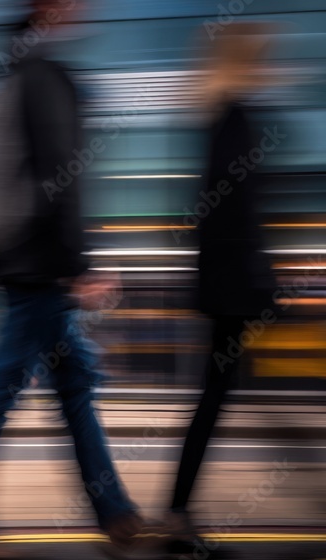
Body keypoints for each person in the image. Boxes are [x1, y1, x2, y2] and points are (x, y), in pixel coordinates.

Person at [0, 1, 151, 558]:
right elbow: (61, 174)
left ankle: (116, 514)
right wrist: (79, 265)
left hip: (29, 260)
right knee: (3, 390)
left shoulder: (21, 67)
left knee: (72, 386)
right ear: (51, 7)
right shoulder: (43, 73)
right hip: (38, 266)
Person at [165, 23, 279, 557]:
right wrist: (262, 285)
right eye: (264, 56)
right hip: (236, 289)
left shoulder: (218, 117)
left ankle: (178, 514)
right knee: (215, 399)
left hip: (225, 286)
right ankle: (178, 516)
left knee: (215, 398)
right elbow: (238, 214)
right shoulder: (238, 119)